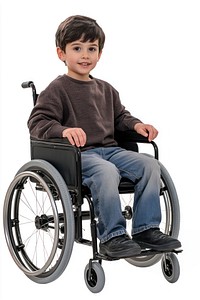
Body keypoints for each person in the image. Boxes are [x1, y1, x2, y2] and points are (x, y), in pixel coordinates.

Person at [28, 15, 181, 258]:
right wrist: (64, 131)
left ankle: (146, 229)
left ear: (100, 54)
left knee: (151, 165)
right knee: (105, 171)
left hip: (112, 151)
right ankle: (112, 236)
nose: (85, 55)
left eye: (92, 49)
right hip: (78, 155)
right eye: (77, 48)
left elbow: (121, 117)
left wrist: (138, 125)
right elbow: (37, 122)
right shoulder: (57, 89)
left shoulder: (107, 89)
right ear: (61, 53)